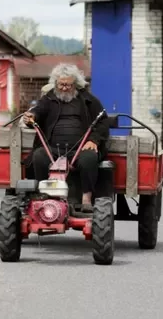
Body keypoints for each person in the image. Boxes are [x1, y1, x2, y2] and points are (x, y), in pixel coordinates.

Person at [22, 63, 110, 215]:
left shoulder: (88, 100)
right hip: (53, 149)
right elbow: (37, 111)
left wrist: (93, 140)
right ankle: (44, 195)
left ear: (75, 84)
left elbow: (103, 121)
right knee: (38, 156)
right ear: (55, 83)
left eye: (68, 85)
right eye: (61, 84)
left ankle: (86, 198)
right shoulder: (49, 99)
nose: (64, 88)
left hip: (79, 149)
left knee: (89, 157)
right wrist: (31, 117)